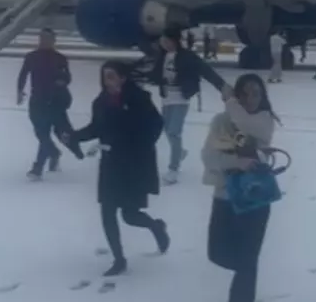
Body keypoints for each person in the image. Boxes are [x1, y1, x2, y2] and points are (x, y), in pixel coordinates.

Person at [65, 61, 171, 276]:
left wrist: (141, 144)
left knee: (130, 215)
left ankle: (156, 227)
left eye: (112, 76)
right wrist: (75, 136)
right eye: (105, 76)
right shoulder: (101, 102)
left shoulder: (139, 99)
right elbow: (96, 127)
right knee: (107, 210)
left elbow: (156, 124)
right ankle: (119, 259)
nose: (108, 81)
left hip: (134, 163)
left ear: (123, 77)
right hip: (111, 163)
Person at [202, 74, 279, 302]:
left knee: (247, 257)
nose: (250, 98)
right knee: (217, 253)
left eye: (255, 93)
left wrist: (231, 101)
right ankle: (247, 271)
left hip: (256, 199)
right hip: (225, 196)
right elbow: (209, 157)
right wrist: (237, 161)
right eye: (243, 93)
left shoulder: (263, 121)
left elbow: (245, 124)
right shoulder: (221, 122)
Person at [148, 26, 232, 185]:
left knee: (174, 131)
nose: (164, 44)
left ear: (174, 41)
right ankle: (179, 152)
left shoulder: (187, 56)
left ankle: (174, 168)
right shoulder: (162, 56)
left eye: (166, 41)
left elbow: (206, 71)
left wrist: (222, 86)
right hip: (166, 98)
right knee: (166, 129)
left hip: (181, 98)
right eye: (162, 41)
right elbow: (155, 74)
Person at [16, 28, 79, 180]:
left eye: (48, 39)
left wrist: (62, 81)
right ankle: (54, 153)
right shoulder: (31, 57)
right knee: (40, 132)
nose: (44, 41)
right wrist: (19, 91)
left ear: (53, 41)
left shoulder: (60, 59)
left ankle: (37, 168)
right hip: (36, 99)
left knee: (44, 131)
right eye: (42, 38)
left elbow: (67, 77)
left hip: (54, 101)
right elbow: (23, 74)